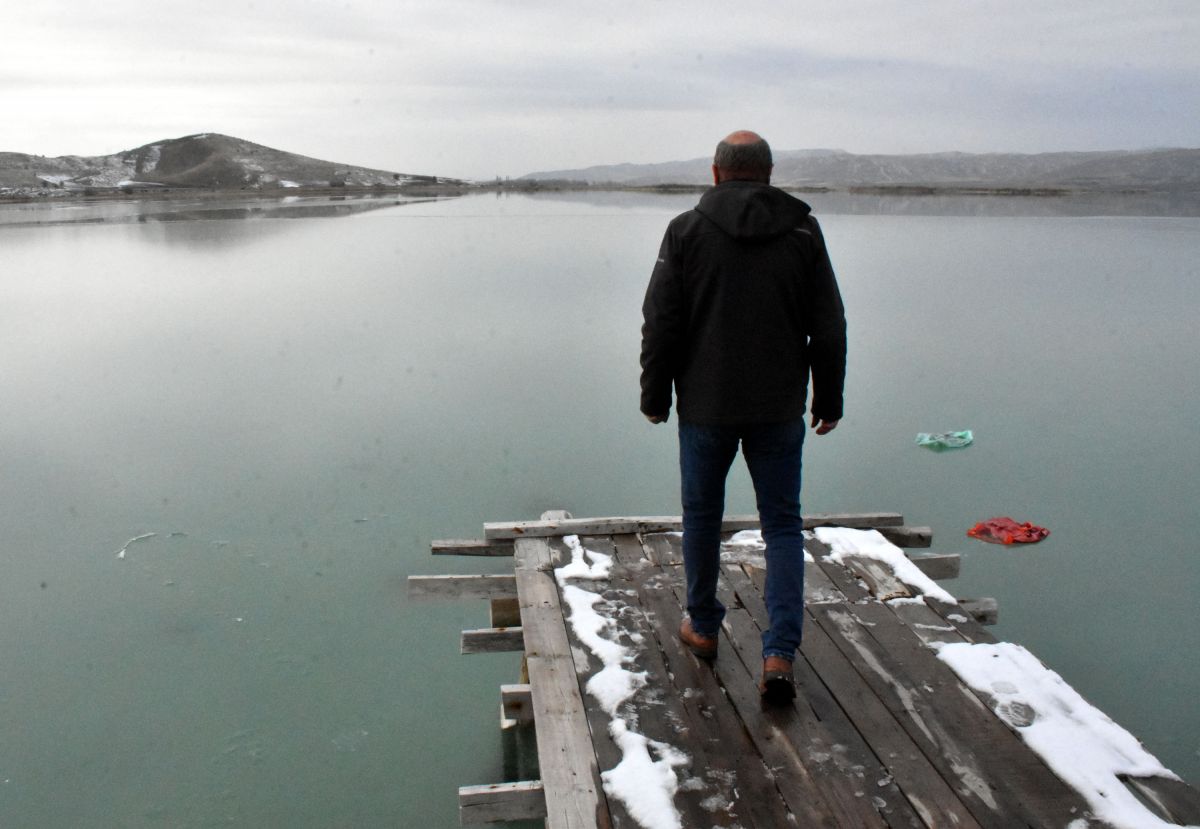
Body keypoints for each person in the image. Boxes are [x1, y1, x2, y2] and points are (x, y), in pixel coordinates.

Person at [639, 130, 846, 703]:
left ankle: (703, 627)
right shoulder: (803, 230)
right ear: (770, 173)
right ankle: (778, 652)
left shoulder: (685, 231)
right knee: (781, 524)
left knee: (702, 516)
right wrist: (828, 400)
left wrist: (654, 397)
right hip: (778, 407)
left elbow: (661, 321)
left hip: (705, 406)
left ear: (715, 173)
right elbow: (828, 325)